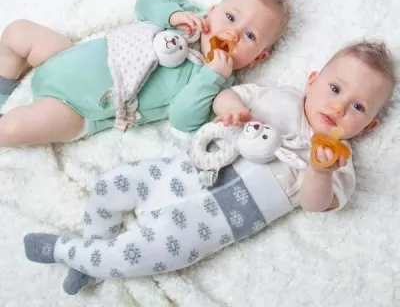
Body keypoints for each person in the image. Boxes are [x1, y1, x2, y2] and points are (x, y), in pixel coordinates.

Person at [23, 41, 397, 295]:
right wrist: (233, 110)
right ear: (313, 81)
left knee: (138, 255)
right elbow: (227, 96)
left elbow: (317, 204)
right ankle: (92, 251)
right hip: (183, 172)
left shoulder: (338, 162)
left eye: (358, 107)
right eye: (335, 89)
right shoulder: (279, 96)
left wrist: (319, 170)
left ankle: (66, 250)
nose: (339, 107)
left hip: (210, 224)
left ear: (369, 126)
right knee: (114, 182)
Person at [0, 0, 290, 146]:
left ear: (258, 58)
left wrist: (213, 79)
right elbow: (146, 0)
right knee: (18, 32)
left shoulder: (217, 85)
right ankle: (3, 88)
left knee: (13, 128)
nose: (232, 34)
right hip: (64, 56)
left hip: (78, 108)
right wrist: (172, 15)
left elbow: (182, 119)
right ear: (213, 9)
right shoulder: (187, 17)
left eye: (249, 36)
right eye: (230, 17)